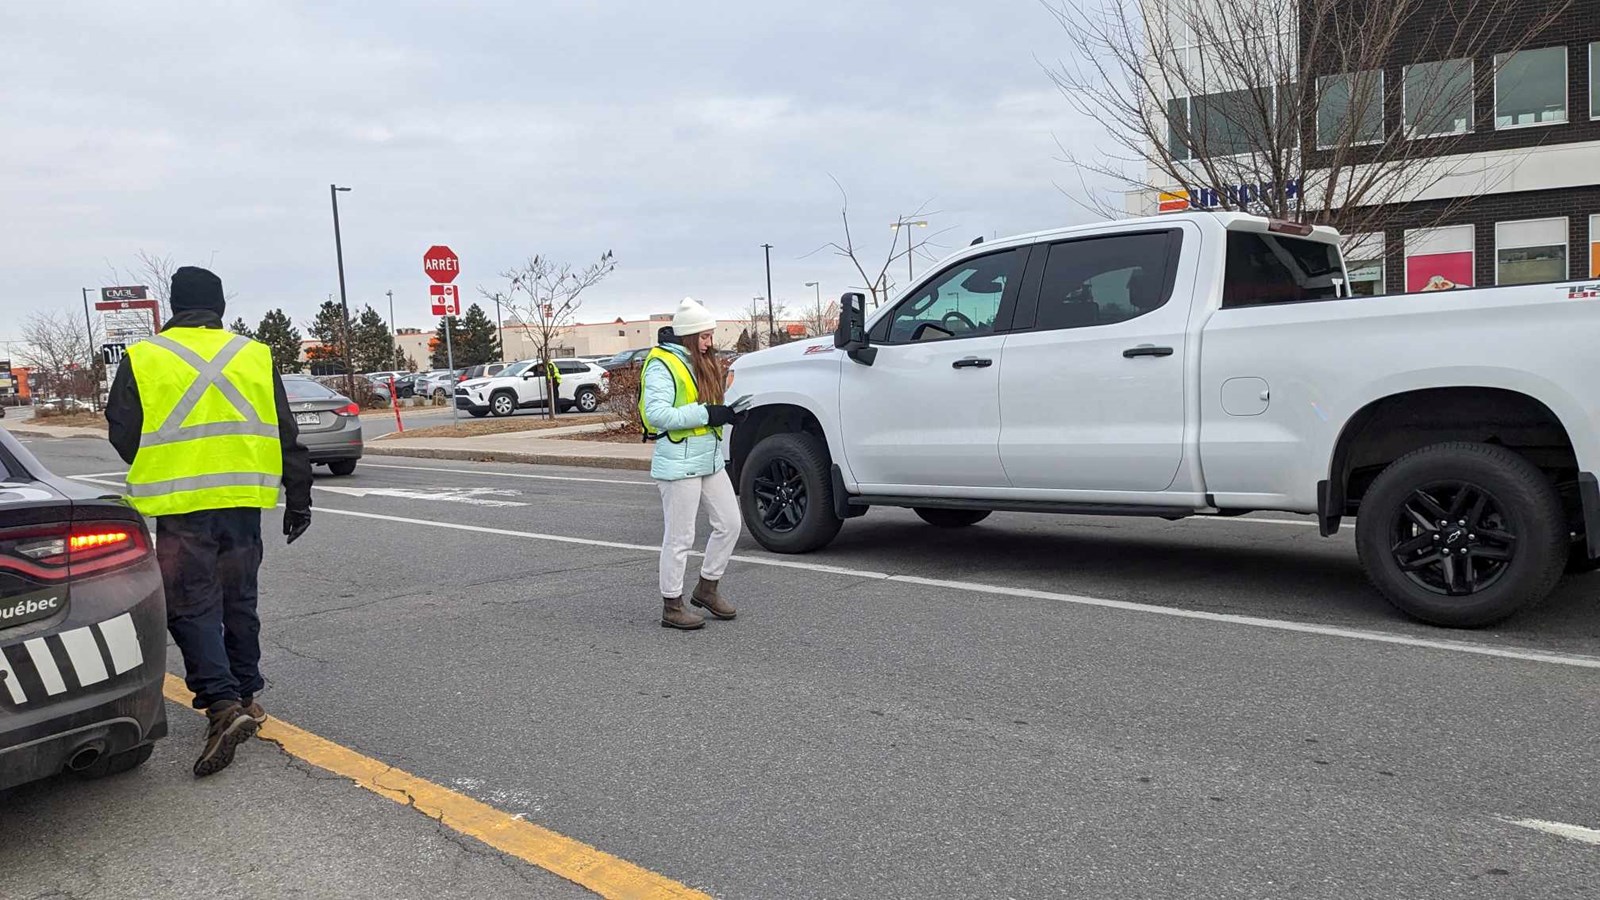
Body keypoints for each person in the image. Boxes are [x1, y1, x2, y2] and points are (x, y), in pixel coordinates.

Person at [106, 266, 314, 777]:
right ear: (219, 305)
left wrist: (165, 460)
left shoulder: (145, 356)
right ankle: (247, 694)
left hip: (180, 505)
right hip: (243, 500)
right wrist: (299, 497)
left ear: (174, 305)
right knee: (238, 599)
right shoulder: (254, 354)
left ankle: (223, 706)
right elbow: (285, 431)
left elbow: (123, 431)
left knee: (191, 605)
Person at [639, 297, 742, 629]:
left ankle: (707, 588)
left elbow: (708, 406)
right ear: (688, 335)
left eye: (711, 335)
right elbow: (656, 415)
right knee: (680, 538)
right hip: (678, 463)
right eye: (704, 336)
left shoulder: (701, 361)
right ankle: (672, 606)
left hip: (708, 458)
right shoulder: (662, 363)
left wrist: (729, 412)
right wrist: (707, 413)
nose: (710, 343)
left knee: (730, 523)